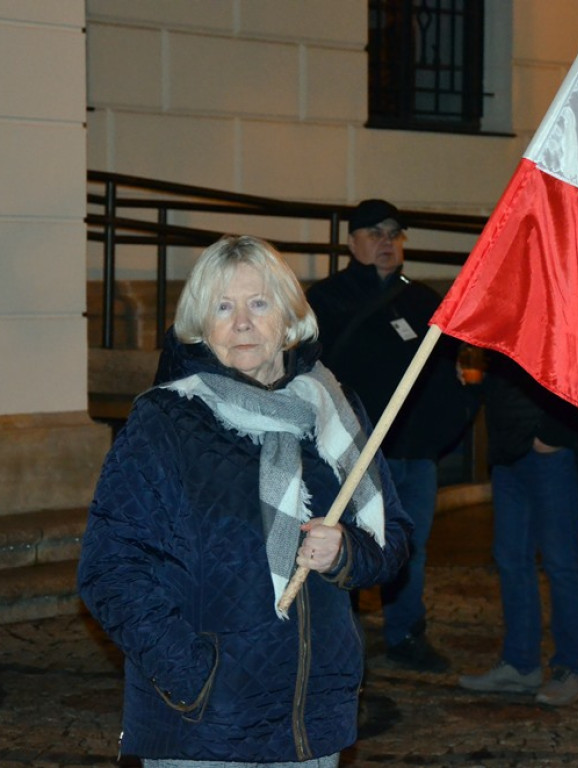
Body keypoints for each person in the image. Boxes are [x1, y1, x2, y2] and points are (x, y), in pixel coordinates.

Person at [77, 235, 412, 765]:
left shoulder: (336, 412)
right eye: (222, 307)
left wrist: (345, 551)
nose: (242, 323)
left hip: (313, 723)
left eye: (259, 303)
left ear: (289, 317)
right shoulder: (166, 421)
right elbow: (109, 570)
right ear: (200, 326)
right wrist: (195, 677)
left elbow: (391, 539)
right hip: (207, 728)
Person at [306, 199, 474, 673]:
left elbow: (448, 367)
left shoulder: (420, 300)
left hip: (414, 451)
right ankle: (344, 642)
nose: (387, 242)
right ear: (352, 241)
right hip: (353, 453)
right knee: (349, 544)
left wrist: (450, 422)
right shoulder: (326, 301)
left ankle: (406, 632)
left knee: (410, 548)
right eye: (375, 233)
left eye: (394, 233)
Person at [457, 352, 578, 707]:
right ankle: (520, 663)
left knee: (561, 563)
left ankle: (569, 668)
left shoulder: (553, 306)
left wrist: (552, 434)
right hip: (507, 451)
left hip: (546, 453)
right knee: (512, 559)